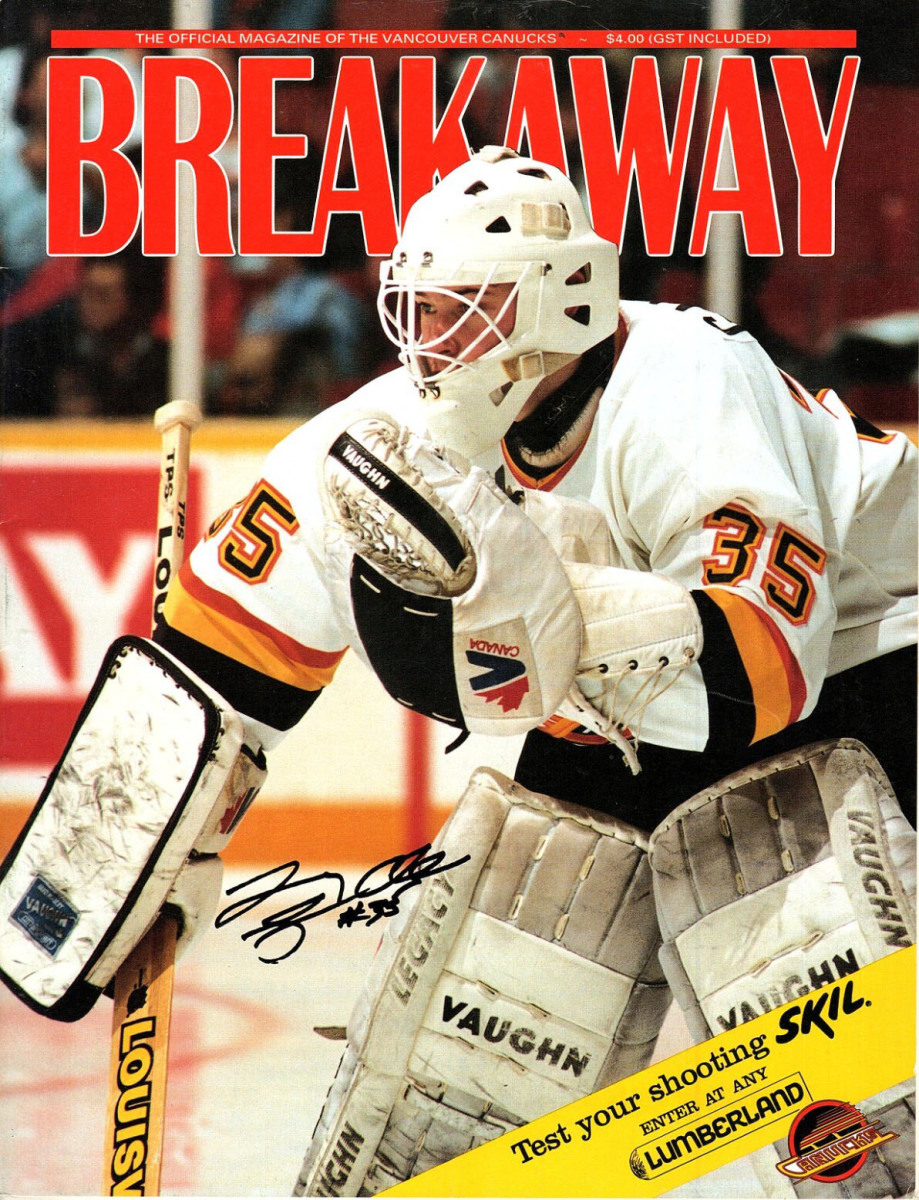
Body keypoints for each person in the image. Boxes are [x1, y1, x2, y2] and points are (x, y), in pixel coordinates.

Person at [1, 148, 914, 1196]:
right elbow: (213, 665)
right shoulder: (380, 443)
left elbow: (758, 673)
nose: (429, 342)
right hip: (624, 714)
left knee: (804, 972)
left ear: (565, 300)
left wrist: (557, 629)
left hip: (860, 663)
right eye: (419, 309)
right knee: (476, 1030)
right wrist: (112, 870)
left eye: (463, 308)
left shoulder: (687, 380)